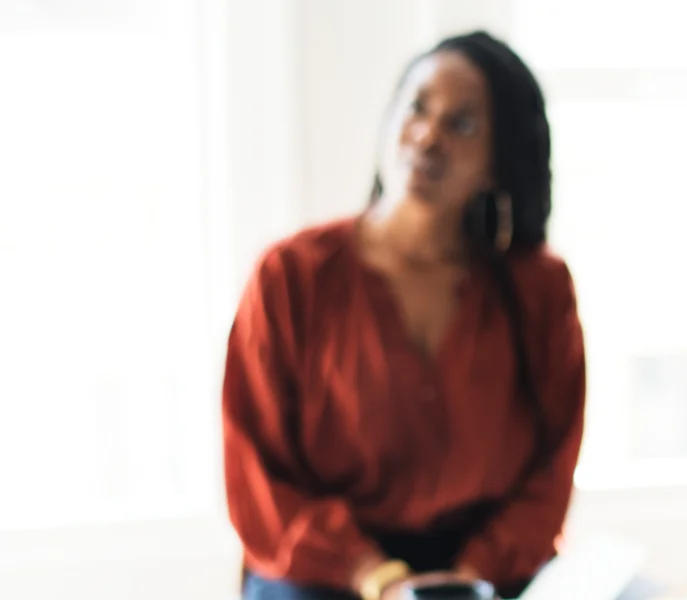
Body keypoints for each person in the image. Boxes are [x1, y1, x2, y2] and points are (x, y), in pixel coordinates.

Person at [223, 31, 584, 600]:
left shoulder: (540, 289)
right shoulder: (289, 276)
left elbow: (552, 472)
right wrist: (378, 578)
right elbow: (257, 476)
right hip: (326, 568)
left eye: (462, 124)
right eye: (417, 107)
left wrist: (467, 581)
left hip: (483, 572)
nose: (428, 136)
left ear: (500, 159)